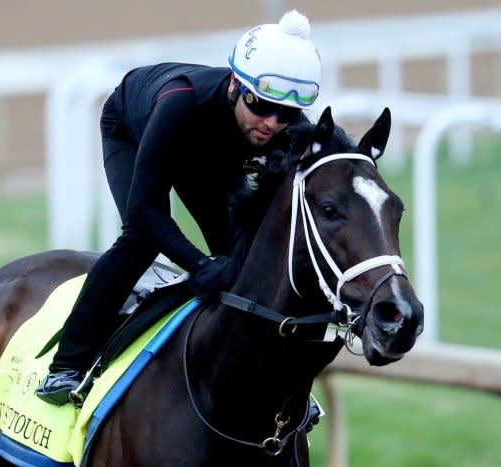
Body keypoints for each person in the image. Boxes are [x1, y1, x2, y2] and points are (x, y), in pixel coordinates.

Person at [37, 10, 322, 405]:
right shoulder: (180, 102)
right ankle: (66, 365)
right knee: (141, 239)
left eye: (286, 114)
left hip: (209, 150)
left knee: (237, 250)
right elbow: (144, 210)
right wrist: (199, 265)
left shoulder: (278, 120)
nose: (272, 124)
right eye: (261, 106)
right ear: (237, 85)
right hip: (134, 127)